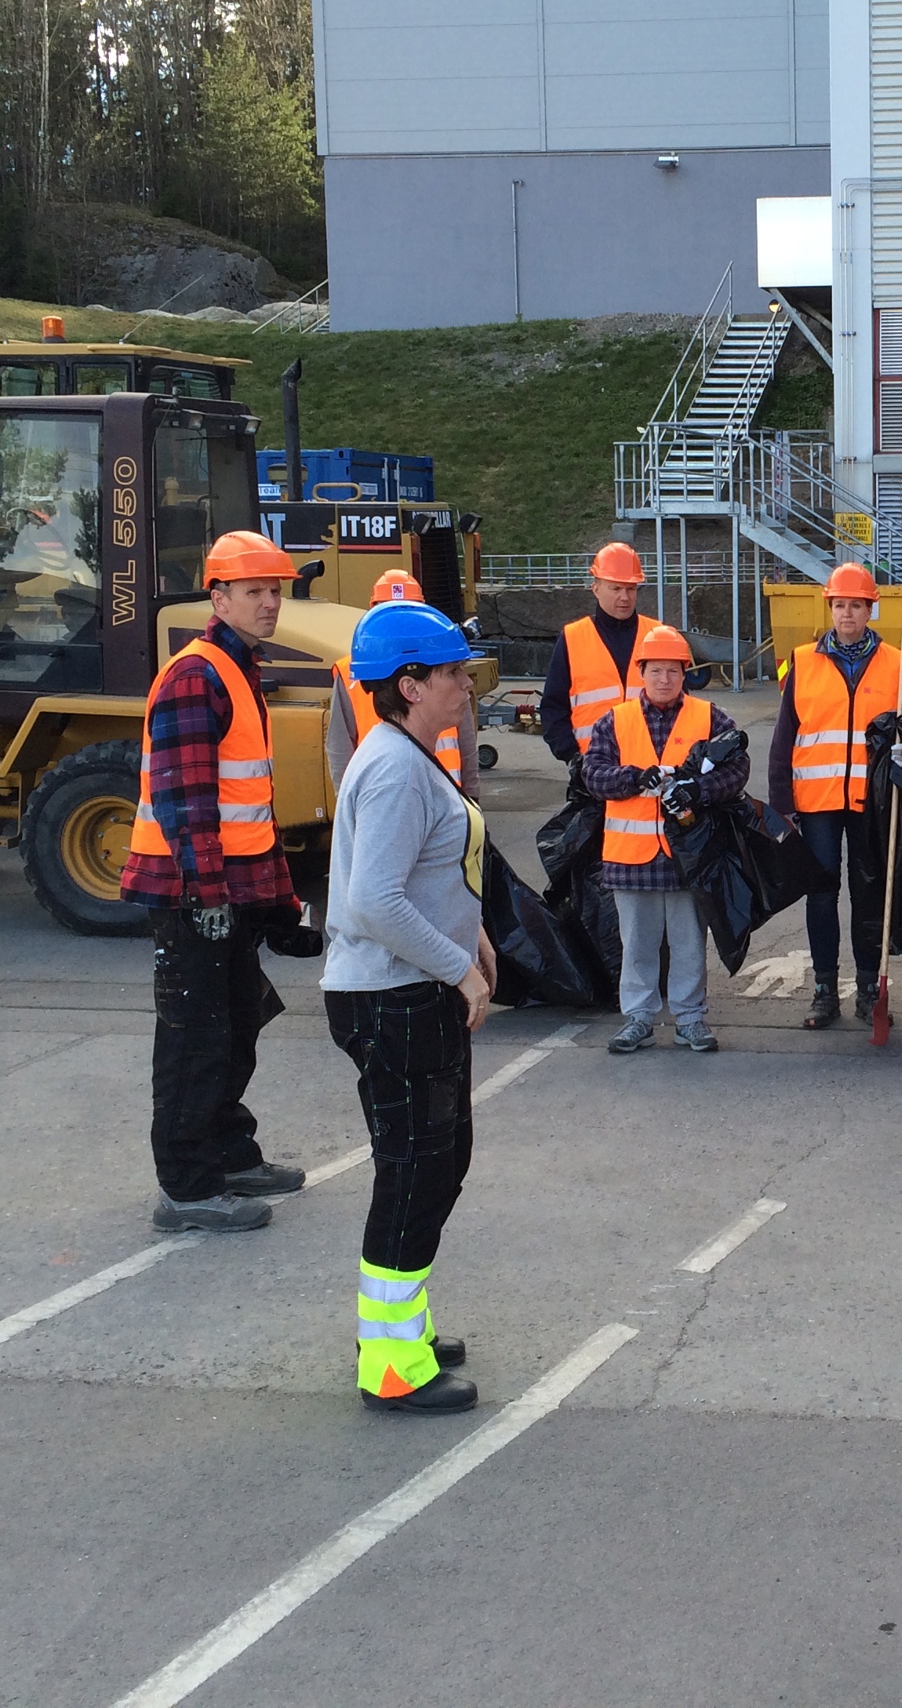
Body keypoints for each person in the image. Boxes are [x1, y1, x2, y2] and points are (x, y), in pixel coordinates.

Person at [322, 601, 494, 1415]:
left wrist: (473, 933)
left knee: (437, 1164)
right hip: (394, 998)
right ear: (411, 684)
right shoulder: (394, 767)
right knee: (415, 1172)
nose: (467, 684)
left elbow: (424, 872)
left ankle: (400, 1331)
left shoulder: (407, 754)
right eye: (453, 671)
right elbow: (374, 900)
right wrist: (460, 968)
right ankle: (390, 1365)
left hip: (407, 991)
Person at [121, 530, 314, 1234]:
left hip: (224, 890)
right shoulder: (196, 675)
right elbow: (186, 800)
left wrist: (279, 903)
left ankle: (228, 1154)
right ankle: (188, 1187)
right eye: (254, 591)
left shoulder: (235, 669)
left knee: (235, 1025)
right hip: (192, 893)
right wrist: (206, 894)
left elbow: (249, 805)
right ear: (219, 596)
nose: (269, 603)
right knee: (195, 1039)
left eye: (275, 591)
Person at [582, 623, 747, 1055]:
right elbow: (593, 773)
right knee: (637, 944)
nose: (664, 679)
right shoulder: (615, 721)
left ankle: (689, 1019)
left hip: (687, 855)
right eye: (656, 670)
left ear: (684, 673)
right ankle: (638, 1017)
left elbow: (738, 768)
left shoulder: (709, 717)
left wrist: (699, 790)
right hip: (631, 856)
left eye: (673, 670)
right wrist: (634, 779)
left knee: (689, 942)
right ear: (642, 672)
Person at [767, 563, 902, 1029]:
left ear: (870, 609)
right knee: (821, 893)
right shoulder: (803, 661)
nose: (847, 613)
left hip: (872, 800)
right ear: (829, 608)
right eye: (840, 605)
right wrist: (782, 803)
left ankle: (869, 988)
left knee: (869, 893)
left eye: (856, 605)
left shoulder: (895, 662)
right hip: (817, 803)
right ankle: (824, 989)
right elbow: (784, 737)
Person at [329, 569, 476, 792]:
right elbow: (340, 747)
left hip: (445, 794)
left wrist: (471, 796)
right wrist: (349, 796)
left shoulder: (441, 663)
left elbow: (465, 740)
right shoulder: (350, 670)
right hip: (388, 786)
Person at [538, 542, 649, 769]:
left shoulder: (656, 636)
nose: (625, 597)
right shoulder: (573, 638)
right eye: (616, 588)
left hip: (650, 767)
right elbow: (553, 706)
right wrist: (571, 756)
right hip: (592, 768)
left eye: (631, 589)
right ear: (596, 588)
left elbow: (680, 704)